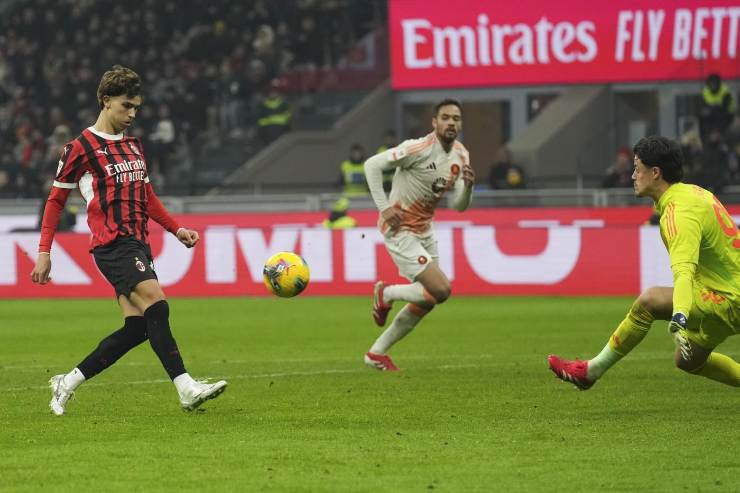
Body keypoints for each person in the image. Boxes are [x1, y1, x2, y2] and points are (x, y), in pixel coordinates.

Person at [30, 65, 227, 415]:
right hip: (111, 244)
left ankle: (67, 382)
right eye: (126, 106)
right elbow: (56, 200)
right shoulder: (80, 148)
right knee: (158, 304)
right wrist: (44, 251)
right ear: (105, 101)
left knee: (137, 328)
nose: (132, 114)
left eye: (136, 107)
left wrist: (176, 229)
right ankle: (186, 387)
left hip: (138, 242)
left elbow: (147, 196)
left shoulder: (134, 146)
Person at [548, 135, 740, 389]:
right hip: (723, 290)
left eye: (638, 169)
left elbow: (684, 272)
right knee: (687, 360)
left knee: (650, 301)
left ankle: (590, 371)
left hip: (729, 298)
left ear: (656, 173)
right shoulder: (693, 193)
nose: (632, 175)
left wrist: (680, 314)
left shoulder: (678, 214)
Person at [362, 99, 475, 371]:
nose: (451, 123)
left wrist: (468, 188)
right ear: (434, 122)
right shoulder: (417, 149)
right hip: (400, 229)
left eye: (456, 118)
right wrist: (384, 208)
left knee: (429, 300)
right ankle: (386, 293)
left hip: (424, 230)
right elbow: (371, 165)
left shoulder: (460, 155)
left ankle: (376, 353)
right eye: (445, 118)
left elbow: (459, 206)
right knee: (441, 290)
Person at [699, 73, 736, 143]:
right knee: (702, 117)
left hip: (726, 114)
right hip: (712, 114)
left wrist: (713, 108)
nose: (713, 86)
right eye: (711, 84)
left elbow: (725, 107)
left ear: (719, 84)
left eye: (714, 84)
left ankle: (718, 134)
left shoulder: (725, 91)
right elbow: (703, 107)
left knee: (721, 116)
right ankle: (705, 138)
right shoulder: (705, 92)